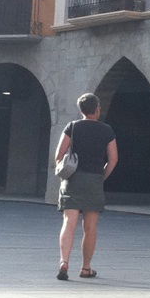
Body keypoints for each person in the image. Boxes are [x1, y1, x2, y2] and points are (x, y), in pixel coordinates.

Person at [53, 92, 117, 281]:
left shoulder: (72, 127)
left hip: (72, 179)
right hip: (94, 179)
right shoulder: (107, 130)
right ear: (97, 109)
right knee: (90, 227)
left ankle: (64, 261)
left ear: (81, 110)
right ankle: (86, 267)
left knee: (68, 223)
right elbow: (113, 159)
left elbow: (58, 155)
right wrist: (102, 176)